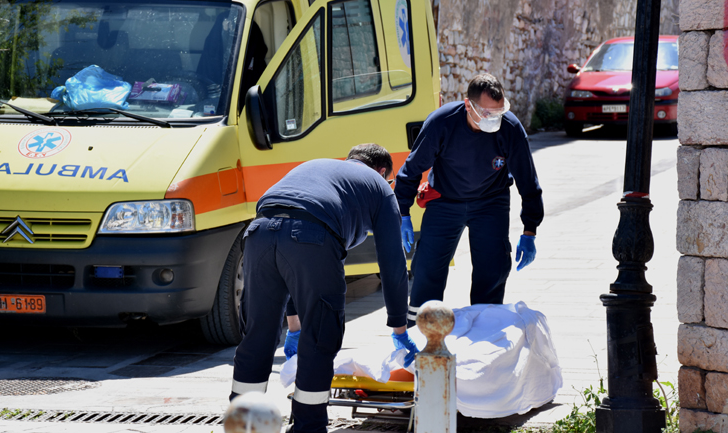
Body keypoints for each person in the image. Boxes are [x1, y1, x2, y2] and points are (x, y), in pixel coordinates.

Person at [230, 144, 419, 433]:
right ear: (382, 172)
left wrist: (294, 326)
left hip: (259, 232)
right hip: (311, 236)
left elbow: (287, 243)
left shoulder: (318, 167)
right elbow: (392, 266)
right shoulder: (380, 187)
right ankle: (309, 428)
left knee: (258, 335)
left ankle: (243, 425)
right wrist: (399, 327)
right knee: (320, 337)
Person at [395, 73, 544, 326]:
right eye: (487, 114)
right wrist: (403, 213)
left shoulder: (509, 128)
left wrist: (530, 230)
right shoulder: (442, 123)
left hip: (490, 202)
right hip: (445, 200)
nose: (493, 120)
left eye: (498, 113)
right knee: (427, 270)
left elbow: (528, 181)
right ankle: (419, 333)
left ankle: (485, 330)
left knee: (492, 269)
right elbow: (411, 170)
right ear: (468, 105)